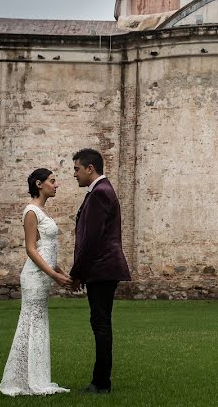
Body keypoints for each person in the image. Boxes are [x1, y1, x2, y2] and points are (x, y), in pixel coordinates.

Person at [0, 168, 72, 396]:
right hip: (33, 277)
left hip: (44, 275)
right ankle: (22, 380)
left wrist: (62, 273)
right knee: (30, 323)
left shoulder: (43, 212)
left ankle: (35, 377)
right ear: (39, 184)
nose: (56, 184)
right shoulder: (31, 211)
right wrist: (54, 275)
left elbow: (46, 250)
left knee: (38, 324)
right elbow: (31, 249)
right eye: (52, 181)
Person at [69, 148, 131, 395]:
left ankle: (101, 382)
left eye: (76, 169)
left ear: (89, 168)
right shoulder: (100, 192)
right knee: (101, 323)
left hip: (102, 268)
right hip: (102, 268)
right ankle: (101, 380)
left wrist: (77, 273)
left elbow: (91, 239)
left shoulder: (100, 193)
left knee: (101, 324)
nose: (74, 174)